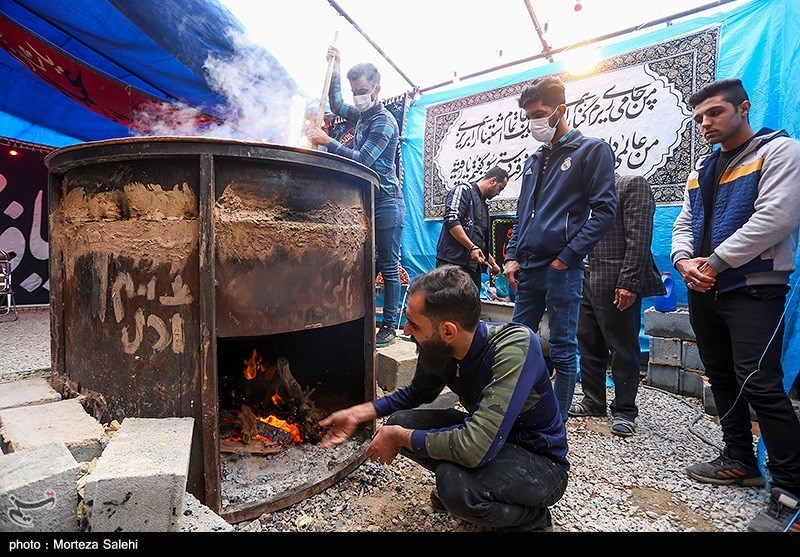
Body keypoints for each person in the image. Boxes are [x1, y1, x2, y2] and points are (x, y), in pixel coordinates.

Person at [318, 265, 569, 531]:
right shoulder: (443, 348)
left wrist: (400, 437)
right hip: (493, 441)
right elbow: (417, 393)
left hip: (541, 462)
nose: (405, 331)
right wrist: (359, 413)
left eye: (414, 324)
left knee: (454, 484)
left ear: (448, 330)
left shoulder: (515, 347)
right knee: (401, 419)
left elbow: (474, 447)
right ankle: (481, 488)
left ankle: (531, 520)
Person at [671, 77, 800, 532]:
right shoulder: (702, 168)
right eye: (700, 116)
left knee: (760, 384)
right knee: (721, 376)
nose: (705, 122)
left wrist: (717, 261)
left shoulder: (780, 151)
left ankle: (791, 493)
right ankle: (739, 460)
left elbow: (777, 216)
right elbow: (686, 220)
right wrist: (684, 260)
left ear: (743, 108)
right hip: (705, 288)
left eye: (715, 113)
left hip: (754, 287)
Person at [503, 75, 617, 423]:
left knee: (564, 347)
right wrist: (511, 256)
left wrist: (566, 257)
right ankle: (515, 409)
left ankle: (555, 421)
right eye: (528, 117)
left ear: (560, 110)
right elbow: (524, 212)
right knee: (517, 341)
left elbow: (605, 210)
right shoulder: (534, 159)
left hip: (561, 270)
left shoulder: (591, 151)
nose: (534, 122)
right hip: (528, 268)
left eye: (539, 113)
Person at [308, 46, 405, 348]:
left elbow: (364, 159)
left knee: (388, 265)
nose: (357, 97)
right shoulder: (362, 116)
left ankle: (389, 326)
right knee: (366, 263)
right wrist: (335, 66)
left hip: (388, 201)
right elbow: (336, 103)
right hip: (368, 202)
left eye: (362, 91)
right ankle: (364, 319)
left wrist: (328, 142)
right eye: (354, 91)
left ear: (377, 89)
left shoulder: (384, 121)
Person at [568, 174, 665, 437]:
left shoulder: (631, 184)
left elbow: (640, 238)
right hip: (585, 279)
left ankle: (624, 410)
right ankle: (593, 401)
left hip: (616, 281)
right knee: (587, 342)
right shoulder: (584, 195)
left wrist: (630, 283)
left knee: (622, 347)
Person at [435, 166, 509, 289]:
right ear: (493, 180)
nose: (498, 193)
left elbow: (477, 241)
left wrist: (492, 263)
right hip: (452, 265)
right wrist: (472, 247)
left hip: (472, 268)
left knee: (471, 306)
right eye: (500, 188)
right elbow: (451, 219)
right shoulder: (463, 190)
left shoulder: (483, 204)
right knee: (448, 306)